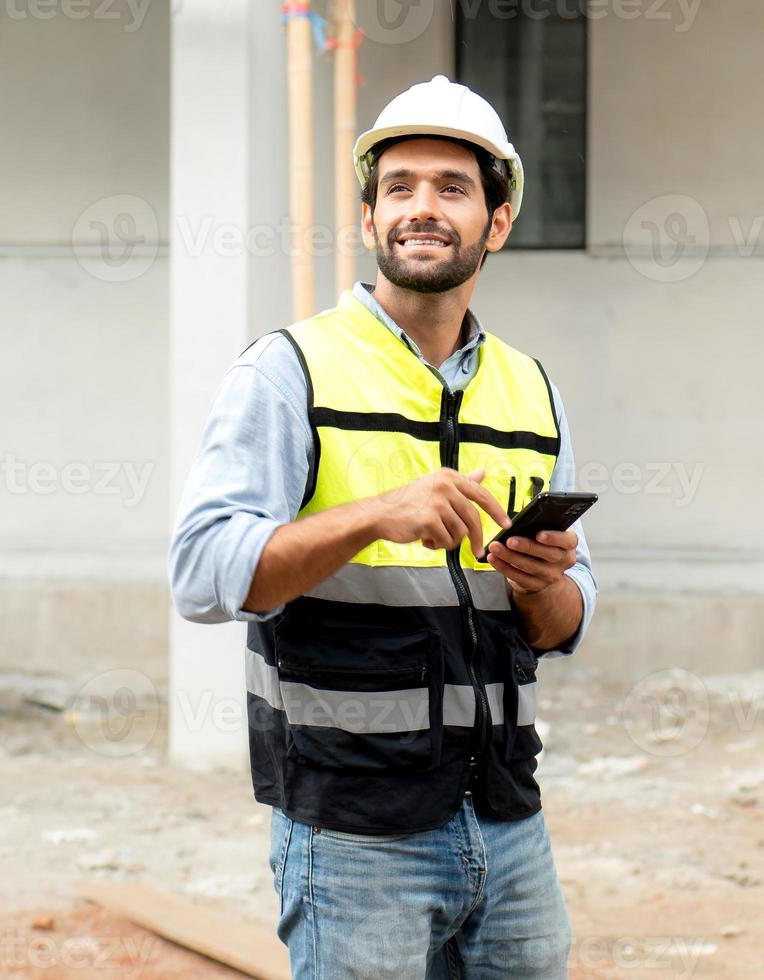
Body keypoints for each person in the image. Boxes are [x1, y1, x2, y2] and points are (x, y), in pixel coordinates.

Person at [169, 75, 598, 980]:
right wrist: (373, 516)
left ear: (499, 220)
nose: (422, 208)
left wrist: (542, 581)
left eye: (451, 187)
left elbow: (567, 621)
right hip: (356, 841)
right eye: (398, 187)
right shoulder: (290, 371)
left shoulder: (532, 389)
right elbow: (204, 573)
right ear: (369, 220)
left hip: (510, 825)